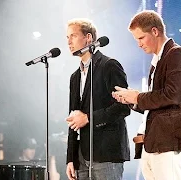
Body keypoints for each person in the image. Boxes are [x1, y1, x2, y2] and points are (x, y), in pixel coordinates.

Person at [112, 10, 181, 180]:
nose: (139, 44)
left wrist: (138, 97)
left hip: (168, 144)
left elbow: (172, 96)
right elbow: (157, 105)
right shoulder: (157, 61)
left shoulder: (177, 54)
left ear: (155, 31)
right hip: (153, 144)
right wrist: (131, 101)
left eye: (141, 38)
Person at [65, 18, 130, 180]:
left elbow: (123, 107)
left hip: (107, 153)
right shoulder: (75, 77)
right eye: (67, 38)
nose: (69, 42)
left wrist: (88, 118)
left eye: (73, 36)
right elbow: (73, 118)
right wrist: (70, 158)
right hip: (82, 156)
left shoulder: (109, 65)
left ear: (88, 38)